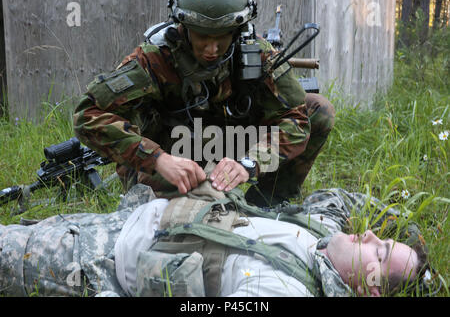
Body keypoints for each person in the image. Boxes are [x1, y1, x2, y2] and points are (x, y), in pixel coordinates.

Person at [73, 0, 335, 207]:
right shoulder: (155, 59)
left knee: (318, 110)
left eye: (221, 37)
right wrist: (157, 159)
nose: (212, 49)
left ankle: (268, 204)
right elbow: (88, 114)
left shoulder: (256, 54)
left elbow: (297, 119)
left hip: (231, 144)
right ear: (183, 28)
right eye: (202, 37)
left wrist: (250, 162)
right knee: (190, 213)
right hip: (170, 158)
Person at [0, 180, 433, 297]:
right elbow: (337, 198)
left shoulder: (286, 288)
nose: (372, 234)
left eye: (380, 250)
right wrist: (408, 228)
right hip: (125, 218)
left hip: (96, 262)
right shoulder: (328, 236)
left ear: (369, 289)